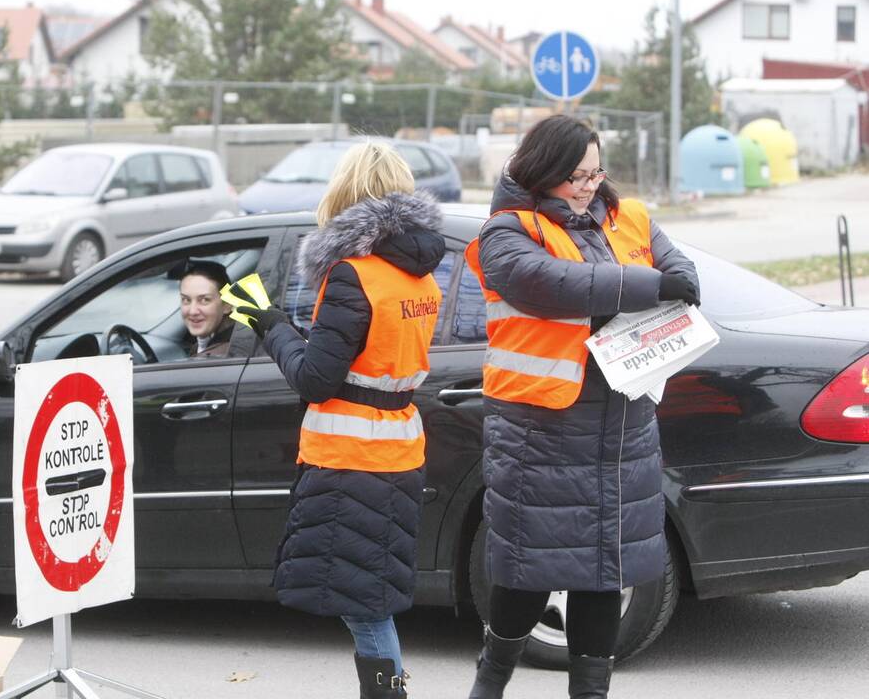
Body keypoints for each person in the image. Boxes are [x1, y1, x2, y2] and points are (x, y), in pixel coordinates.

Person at [463, 115, 699, 699]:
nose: (589, 185)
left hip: (623, 427)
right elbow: (552, 283)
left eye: (596, 173)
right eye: (576, 176)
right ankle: (489, 683)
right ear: (543, 171)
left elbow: (683, 274)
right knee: (526, 573)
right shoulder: (507, 232)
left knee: (606, 573)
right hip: (543, 433)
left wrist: (663, 284)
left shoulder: (631, 217)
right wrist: (647, 286)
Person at [237, 141, 445, 698]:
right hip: (398, 449)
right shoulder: (420, 278)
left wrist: (270, 324)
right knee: (369, 595)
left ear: (346, 197)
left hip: (350, 458)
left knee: (364, 604)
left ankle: (388, 693)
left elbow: (316, 380)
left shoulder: (355, 275)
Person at [178, 260, 235, 358]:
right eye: (186, 300)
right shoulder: (205, 346)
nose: (193, 311)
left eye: (204, 300)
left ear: (227, 304)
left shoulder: (224, 356)